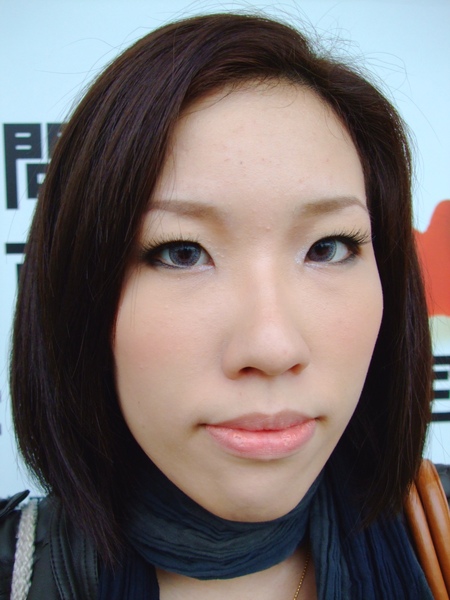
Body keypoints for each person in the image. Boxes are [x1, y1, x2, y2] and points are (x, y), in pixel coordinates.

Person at [0, 12, 434, 599]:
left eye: (328, 247)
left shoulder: (435, 535)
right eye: (181, 252)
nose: (272, 347)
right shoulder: (20, 572)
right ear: (80, 294)